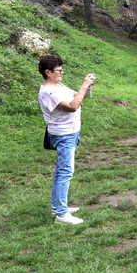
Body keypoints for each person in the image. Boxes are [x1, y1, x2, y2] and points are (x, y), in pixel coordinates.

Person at [38, 55, 96, 225]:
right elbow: (72, 106)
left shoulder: (58, 85)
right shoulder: (49, 92)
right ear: (48, 72)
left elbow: (76, 97)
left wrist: (87, 87)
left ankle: (58, 206)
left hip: (69, 132)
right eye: (59, 70)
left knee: (62, 172)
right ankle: (61, 215)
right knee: (65, 172)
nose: (62, 72)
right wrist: (84, 85)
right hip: (63, 135)